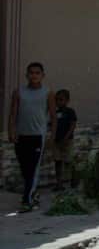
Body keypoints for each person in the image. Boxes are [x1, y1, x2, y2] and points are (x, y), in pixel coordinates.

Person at [8, 62, 55, 212]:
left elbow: (53, 116)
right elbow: (13, 113)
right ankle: (33, 193)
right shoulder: (19, 92)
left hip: (38, 136)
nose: (34, 75)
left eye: (37, 73)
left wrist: (51, 136)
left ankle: (26, 202)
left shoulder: (48, 93)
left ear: (42, 75)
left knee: (33, 169)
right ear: (27, 75)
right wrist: (11, 131)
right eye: (31, 73)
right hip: (21, 135)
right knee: (25, 169)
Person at [50, 89, 77, 191]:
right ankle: (59, 183)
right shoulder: (55, 112)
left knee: (68, 161)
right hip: (57, 141)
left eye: (61, 100)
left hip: (67, 141)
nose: (58, 102)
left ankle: (74, 178)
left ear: (67, 100)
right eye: (56, 100)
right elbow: (52, 125)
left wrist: (66, 138)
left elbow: (72, 125)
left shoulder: (70, 112)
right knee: (57, 161)